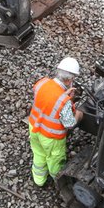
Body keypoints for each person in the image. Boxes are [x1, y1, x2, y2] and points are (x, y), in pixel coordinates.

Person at [27, 57, 80, 187]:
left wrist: (64, 95)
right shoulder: (64, 101)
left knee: (38, 154)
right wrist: (78, 114)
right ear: (69, 80)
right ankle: (58, 180)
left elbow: (48, 101)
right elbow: (70, 124)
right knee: (55, 160)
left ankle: (39, 180)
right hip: (51, 138)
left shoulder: (42, 83)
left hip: (34, 127)